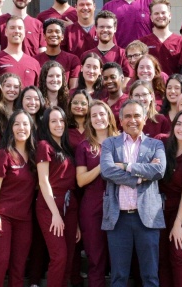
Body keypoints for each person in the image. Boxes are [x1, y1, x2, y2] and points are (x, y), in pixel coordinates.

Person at [100, 100, 166, 287]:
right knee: (119, 277)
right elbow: (107, 171)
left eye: (137, 115)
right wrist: (139, 178)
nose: (132, 120)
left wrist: (127, 166)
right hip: (118, 218)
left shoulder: (156, 145)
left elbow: (159, 170)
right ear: (120, 120)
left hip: (147, 219)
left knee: (150, 276)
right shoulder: (109, 144)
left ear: (145, 118)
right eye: (127, 116)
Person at [0, 110, 38, 287]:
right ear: (11, 128)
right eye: (17, 124)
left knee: (19, 266)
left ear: (31, 128)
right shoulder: (3, 154)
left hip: (24, 219)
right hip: (3, 217)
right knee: (1, 261)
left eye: (25, 124)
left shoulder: (34, 155)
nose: (21, 128)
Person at [34, 106, 79, 287]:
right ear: (46, 124)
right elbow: (43, 181)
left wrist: (75, 223)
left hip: (70, 204)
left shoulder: (66, 147)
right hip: (50, 205)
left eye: (61, 120)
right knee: (59, 256)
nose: (58, 124)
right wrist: (55, 213)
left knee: (68, 258)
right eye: (53, 121)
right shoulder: (44, 146)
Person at [155, 109, 182, 287]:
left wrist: (177, 224)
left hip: (180, 208)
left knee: (178, 253)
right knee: (162, 255)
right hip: (157, 207)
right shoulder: (161, 142)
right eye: (179, 124)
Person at [75, 100, 117, 287]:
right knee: (96, 260)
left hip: (119, 205)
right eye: (94, 115)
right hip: (93, 206)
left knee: (119, 260)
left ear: (109, 116)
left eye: (102, 114)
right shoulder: (84, 146)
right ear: (89, 121)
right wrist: (103, 165)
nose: (98, 118)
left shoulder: (122, 141)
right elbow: (81, 180)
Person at [0, 16, 42, 87]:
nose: (16, 31)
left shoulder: (34, 64)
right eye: (12, 28)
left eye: (20, 28)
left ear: (24, 32)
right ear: (6, 32)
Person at [138, 0, 182, 77]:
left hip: (173, 87)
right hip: (150, 87)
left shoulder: (181, 41)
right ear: (151, 17)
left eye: (163, 13)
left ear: (170, 15)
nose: (160, 16)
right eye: (156, 13)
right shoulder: (142, 43)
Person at [85, 11, 134, 79]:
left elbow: (127, 80)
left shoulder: (123, 54)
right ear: (96, 28)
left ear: (115, 29)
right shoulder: (87, 55)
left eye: (109, 27)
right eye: (101, 27)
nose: (105, 30)